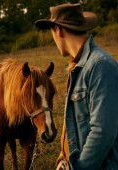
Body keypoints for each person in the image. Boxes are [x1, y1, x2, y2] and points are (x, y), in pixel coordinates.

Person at [35, 3, 118, 170]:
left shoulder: (99, 65)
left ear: (58, 30)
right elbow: (74, 122)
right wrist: (63, 158)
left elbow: (103, 132)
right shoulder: (78, 67)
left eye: (51, 31)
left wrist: (79, 167)